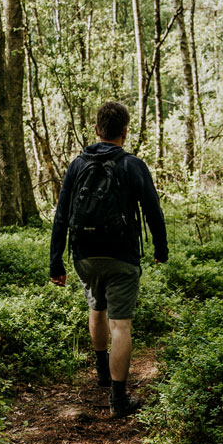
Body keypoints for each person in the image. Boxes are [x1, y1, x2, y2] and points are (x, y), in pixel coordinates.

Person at [49, 100, 168, 418]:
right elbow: (153, 211)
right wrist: (161, 248)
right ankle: (118, 400)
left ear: (97, 130)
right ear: (124, 132)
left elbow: (61, 215)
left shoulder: (77, 165)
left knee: (96, 309)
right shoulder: (133, 165)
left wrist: (55, 262)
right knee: (121, 326)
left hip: (84, 255)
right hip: (122, 256)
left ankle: (102, 372)